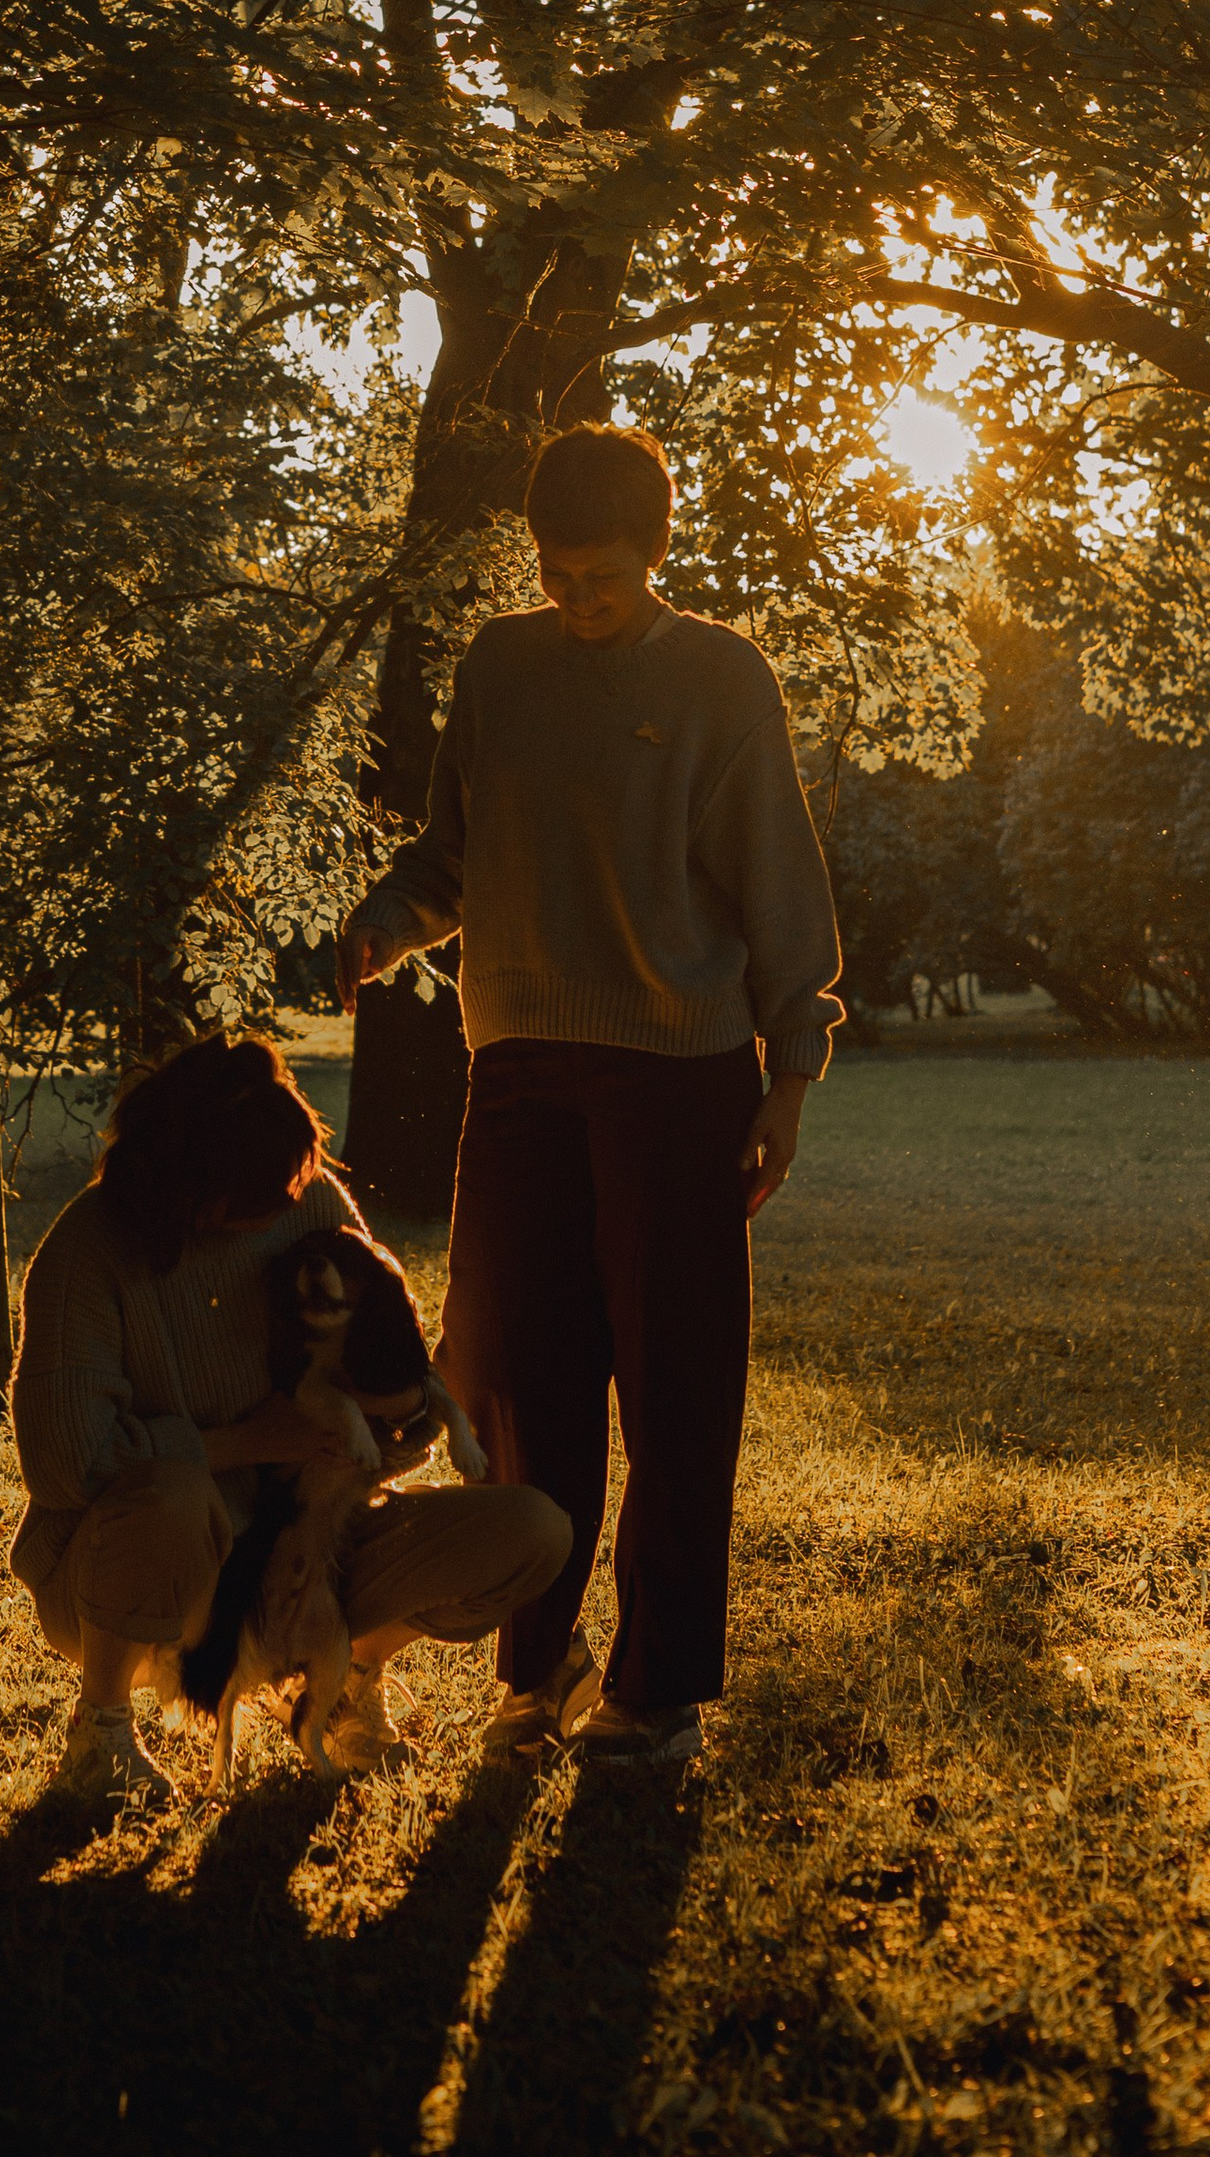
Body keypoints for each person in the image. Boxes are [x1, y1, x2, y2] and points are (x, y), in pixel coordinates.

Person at [335, 420, 843, 1771]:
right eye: (555, 575)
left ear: (654, 553)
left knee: (676, 1389)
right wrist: (387, 921)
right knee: (516, 1383)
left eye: (601, 577)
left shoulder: (721, 678)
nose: (576, 599)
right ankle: (535, 1667)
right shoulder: (500, 667)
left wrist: (791, 1076)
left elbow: (782, 893)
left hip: (677, 1075)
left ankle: (658, 1690)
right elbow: (452, 854)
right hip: (516, 1072)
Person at [10, 1031, 572, 1809]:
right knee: (174, 1495)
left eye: (296, 1182)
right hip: (148, 1570)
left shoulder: (305, 1198)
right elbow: (65, 1464)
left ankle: (343, 1675)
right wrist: (244, 1442)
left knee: (532, 1530)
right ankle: (102, 1732)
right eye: (268, 1195)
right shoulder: (87, 1253)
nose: (291, 1205)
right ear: (195, 1188)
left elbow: (390, 1364)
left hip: (311, 1543)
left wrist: (402, 1411)